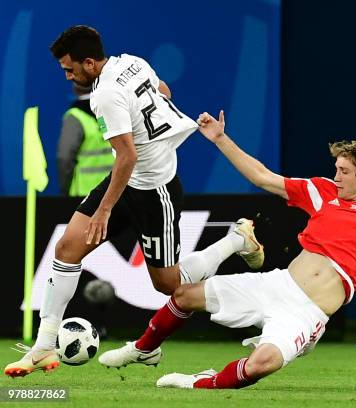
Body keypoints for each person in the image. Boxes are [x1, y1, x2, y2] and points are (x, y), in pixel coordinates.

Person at [97, 111, 356, 390]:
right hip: (278, 285)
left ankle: (196, 382)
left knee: (261, 365)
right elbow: (261, 177)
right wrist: (221, 139)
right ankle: (145, 348)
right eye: (336, 169)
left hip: (308, 313)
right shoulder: (322, 191)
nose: (335, 176)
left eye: (344, 172)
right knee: (183, 294)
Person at [4, 26, 263, 377]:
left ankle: (236, 240)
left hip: (154, 191)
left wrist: (104, 210)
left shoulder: (104, 95)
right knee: (67, 248)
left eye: (70, 69)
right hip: (125, 181)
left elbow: (126, 156)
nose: (67, 76)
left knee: (169, 285)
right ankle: (44, 345)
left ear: (91, 63)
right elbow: (163, 92)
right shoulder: (133, 63)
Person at [57, 83, 115, 196]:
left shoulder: (75, 117)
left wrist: (65, 190)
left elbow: (65, 158)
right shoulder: (111, 112)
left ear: (75, 88)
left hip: (84, 193)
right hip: (113, 191)